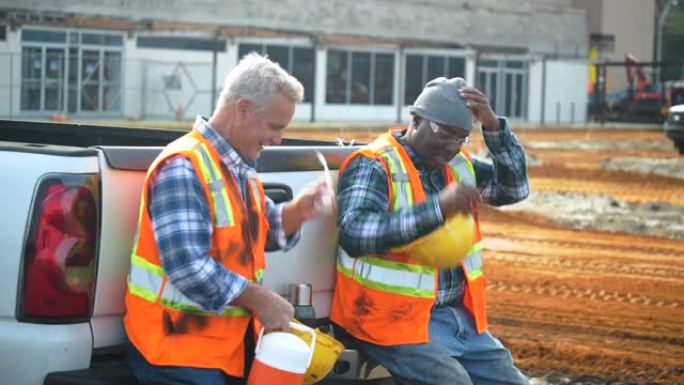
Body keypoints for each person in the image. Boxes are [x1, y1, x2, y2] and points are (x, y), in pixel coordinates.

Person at [123, 53, 333, 385]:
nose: (278, 139)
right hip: (176, 352)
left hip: (223, 350)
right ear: (243, 108)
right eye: (274, 127)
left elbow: (260, 233)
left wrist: (299, 211)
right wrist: (262, 299)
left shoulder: (240, 169)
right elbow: (187, 267)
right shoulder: (184, 165)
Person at [330, 77, 530, 385]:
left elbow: (513, 188)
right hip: (390, 320)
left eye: (460, 138)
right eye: (445, 134)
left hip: (455, 318)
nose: (452, 147)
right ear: (416, 118)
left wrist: (492, 126)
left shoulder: (458, 164)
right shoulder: (375, 164)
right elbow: (355, 232)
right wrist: (438, 208)